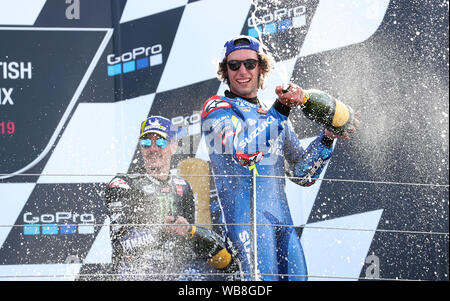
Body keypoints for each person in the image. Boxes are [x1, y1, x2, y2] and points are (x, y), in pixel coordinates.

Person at [201, 35, 359, 281]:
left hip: (283, 224)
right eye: (234, 65)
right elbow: (244, 152)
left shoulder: (271, 112)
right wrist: (281, 109)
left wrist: (327, 138)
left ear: (261, 67)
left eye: (250, 64)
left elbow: (303, 174)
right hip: (248, 226)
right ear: (225, 70)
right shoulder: (217, 108)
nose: (242, 71)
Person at [104, 116, 241, 281]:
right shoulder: (123, 184)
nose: (153, 148)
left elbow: (188, 242)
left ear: (173, 147)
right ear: (141, 148)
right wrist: (162, 230)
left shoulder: (182, 186)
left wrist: (189, 231)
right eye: (146, 143)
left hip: (174, 275)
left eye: (160, 143)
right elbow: (122, 244)